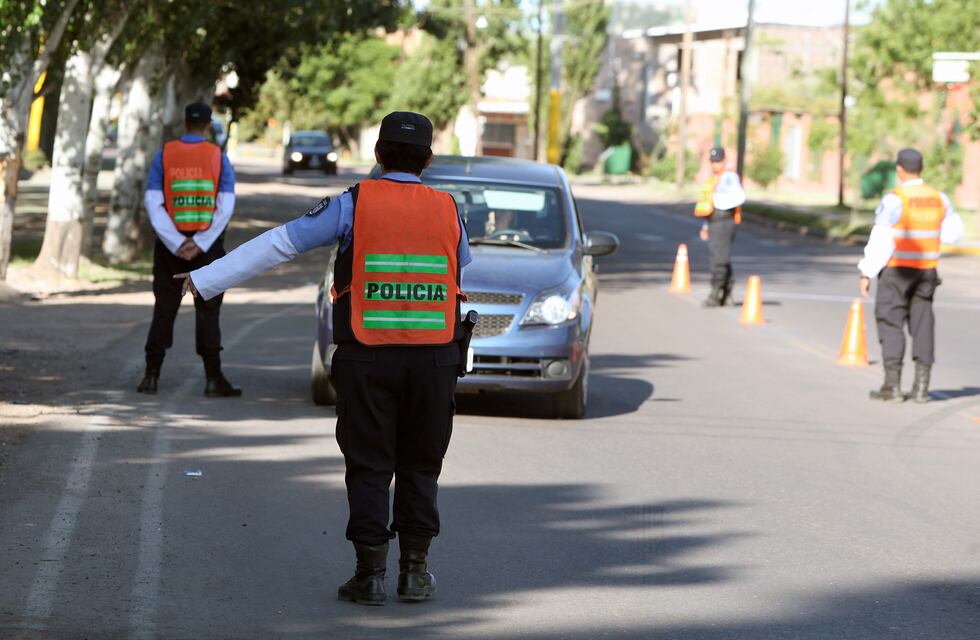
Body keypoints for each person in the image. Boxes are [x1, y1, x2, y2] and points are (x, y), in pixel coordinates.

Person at [175, 112, 472, 606]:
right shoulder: (448, 208)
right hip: (435, 360)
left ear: (377, 156)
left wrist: (206, 279)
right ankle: (416, 573)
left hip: (367, 358)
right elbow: (463, 265)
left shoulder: (353, 203)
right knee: (422, 464)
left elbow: (279, 244)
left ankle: (370, 575)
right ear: (429, 160)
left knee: (369, 464)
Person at [137, 102, 241, 397]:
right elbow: (225, 205)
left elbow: (154, 201)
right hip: (207, 249)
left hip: (172, 249)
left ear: (184, 123)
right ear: (208, 126)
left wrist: (176, 241)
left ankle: (151, 376)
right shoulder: (218, 157)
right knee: (208, 311)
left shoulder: (165, 154)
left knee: (164, 309)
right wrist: (201, 242)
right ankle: (212, 378)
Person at [859, 148, 963, 403]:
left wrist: (867, 271)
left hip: (896, 271)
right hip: (926, 272)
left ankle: (892, 387)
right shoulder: (939, 198)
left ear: (900, 170)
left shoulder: (895, 199)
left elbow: (881, 239)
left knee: (890, 322)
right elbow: (952, 234)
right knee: (923, 324)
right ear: (922, 168)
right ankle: (921, 388)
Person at [694, 146, 745, 307]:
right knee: (721, 257)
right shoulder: (715, 178)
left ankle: (716, 294)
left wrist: (719, 201)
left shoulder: (728, 177)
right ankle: (727, 293)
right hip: (714, 222)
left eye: (717, 161)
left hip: (724, 221)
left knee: (719, 260)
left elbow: (739, 197)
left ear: (724, 160)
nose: (714, 164)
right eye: (712, 161)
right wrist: (706, 226)